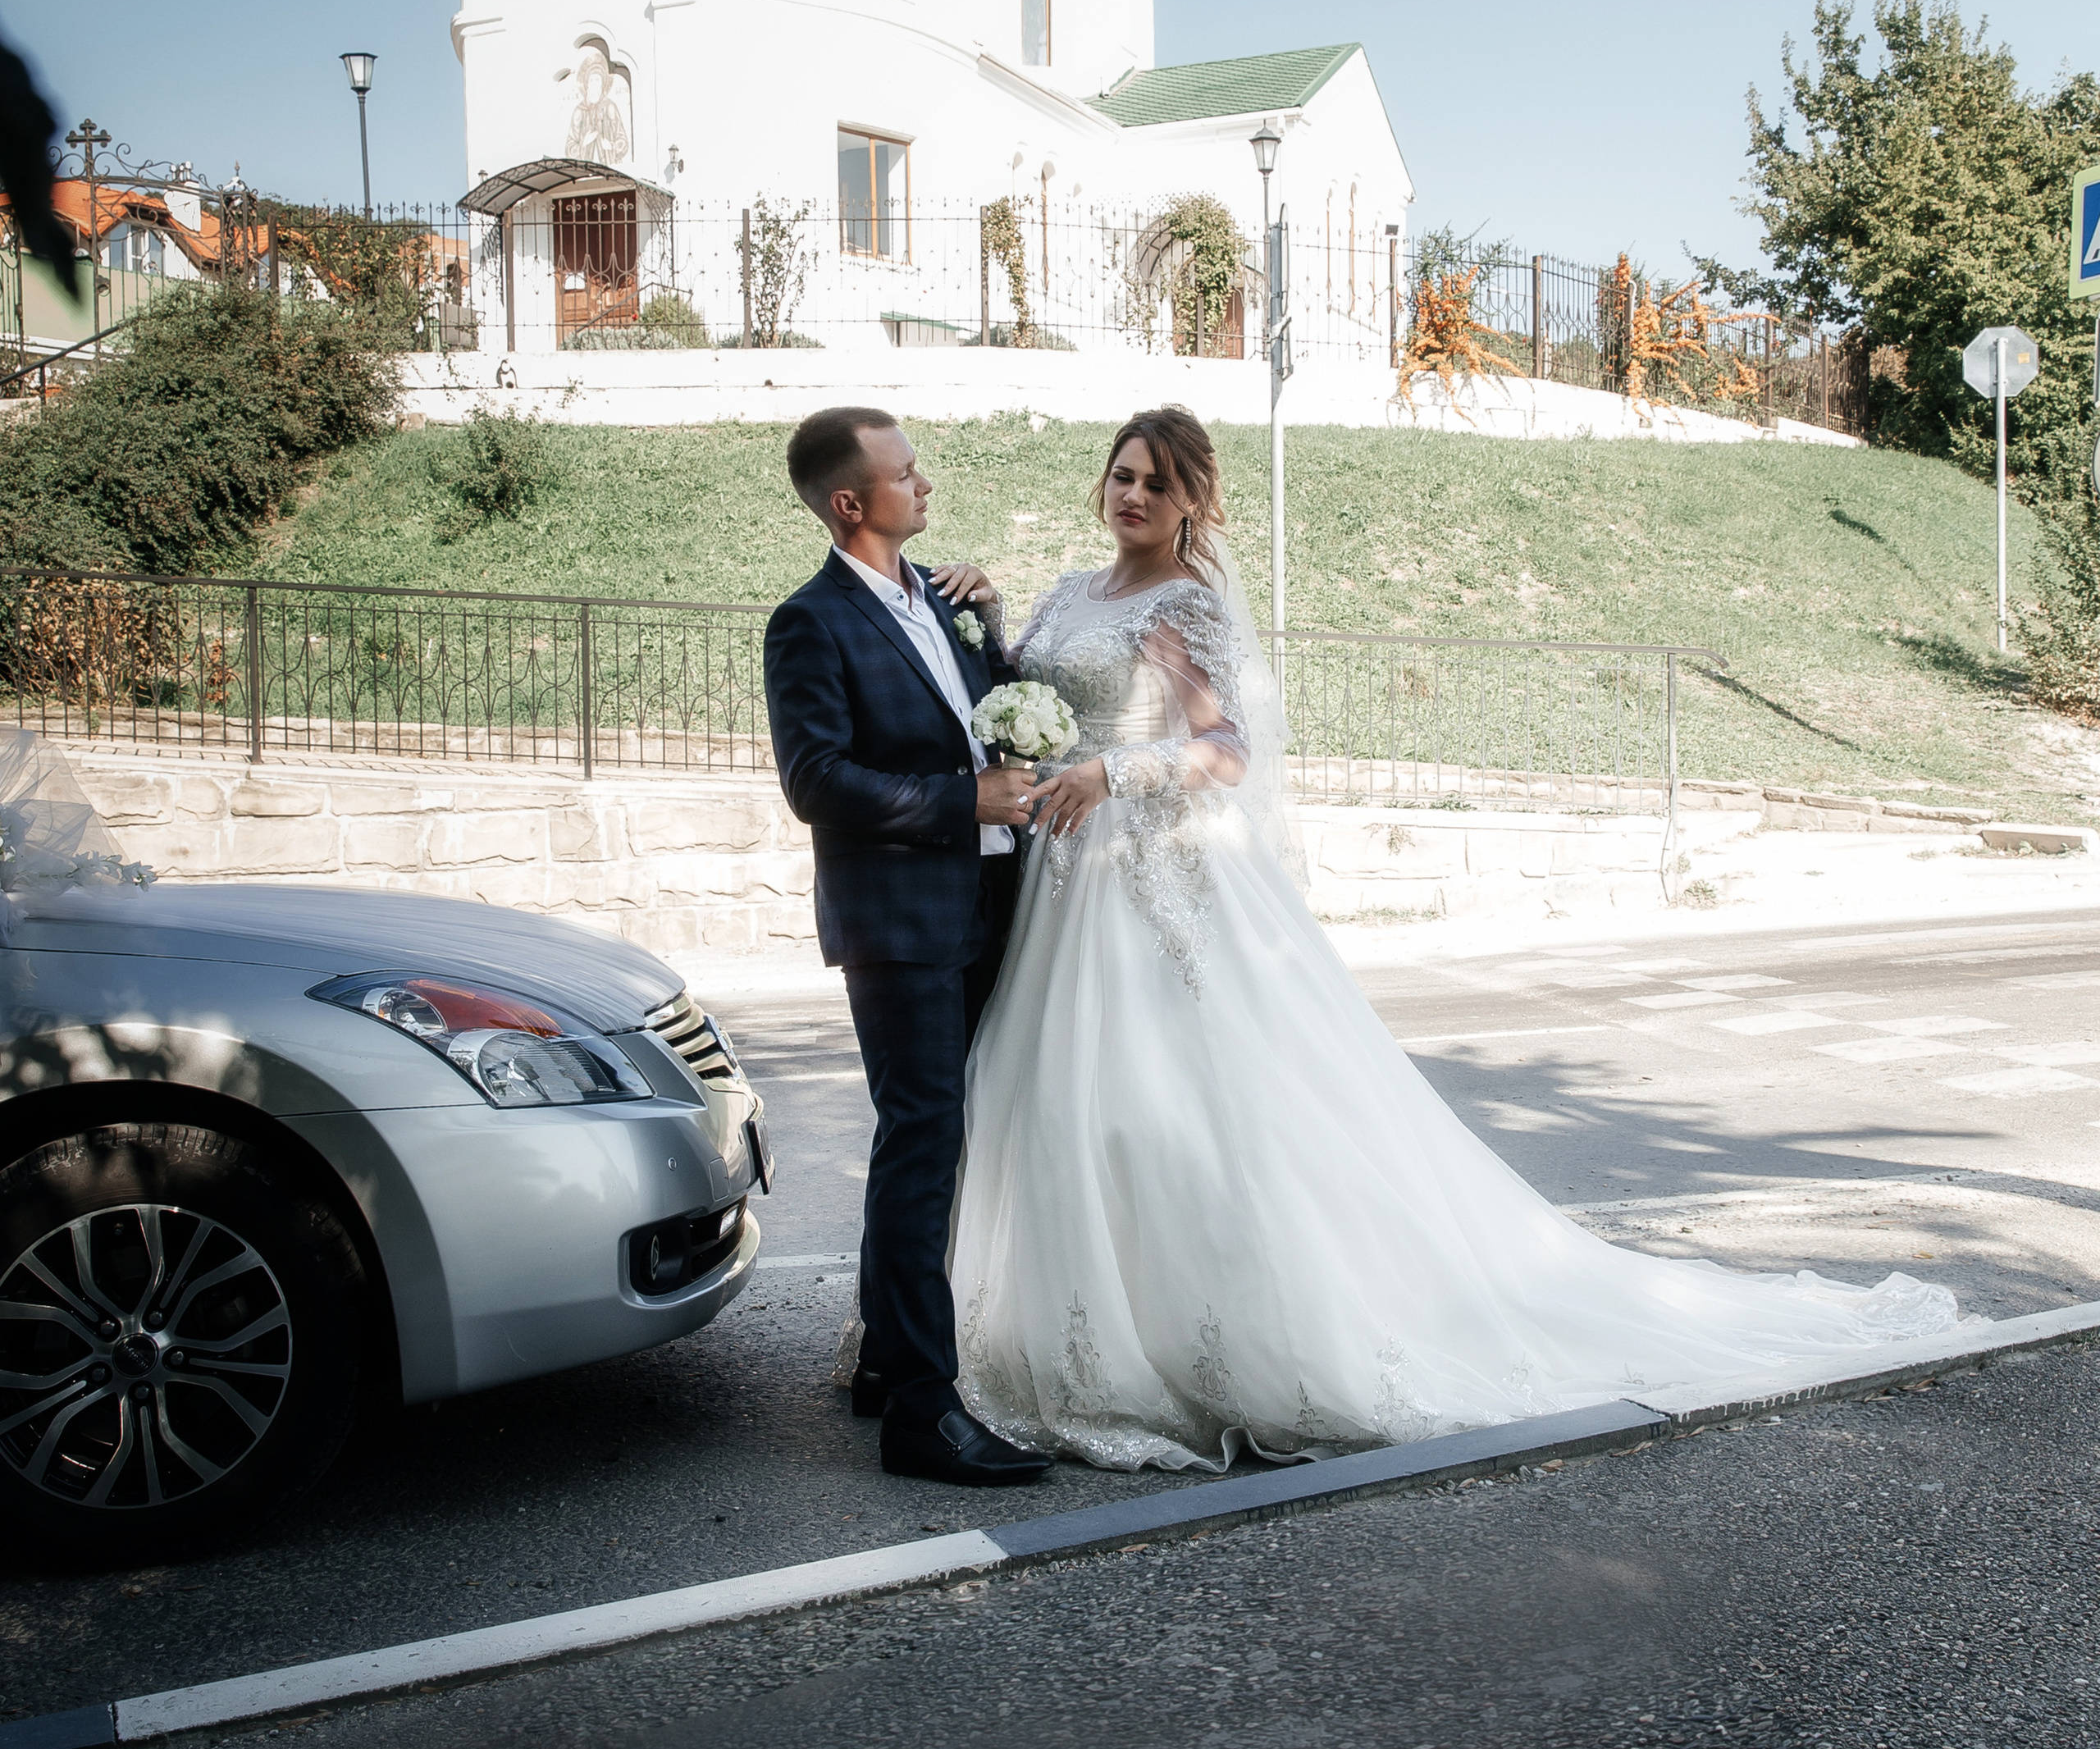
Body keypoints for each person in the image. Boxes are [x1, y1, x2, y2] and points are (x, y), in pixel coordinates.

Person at [949, 405, 1977, 1471]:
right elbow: (1035, 686)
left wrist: (1117, 771)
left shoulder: (1186, 605)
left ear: (1192, 502)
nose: (1133, 498)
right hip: (1067, 879)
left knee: (1167, 1107)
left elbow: (1226, 746)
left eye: (1157, 485)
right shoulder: (1073, 590)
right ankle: (1061, 1329)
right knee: (1066, 1102)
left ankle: (1205, 1341)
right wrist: (987, 617)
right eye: (1122, 476)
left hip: (1150, 867)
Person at [762, 407, 1049, 1486]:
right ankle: (925, 1416)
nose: (923, 483)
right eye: (906, 472)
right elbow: (816, 781)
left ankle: (889, 1361)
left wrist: (996, 626)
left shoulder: (939, 598)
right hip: (899, 925)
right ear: (851, 503)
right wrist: (955, 798)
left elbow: (996, 721)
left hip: (982, 909)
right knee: (922, 1140)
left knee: (932, 1139)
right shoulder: (810, 622)